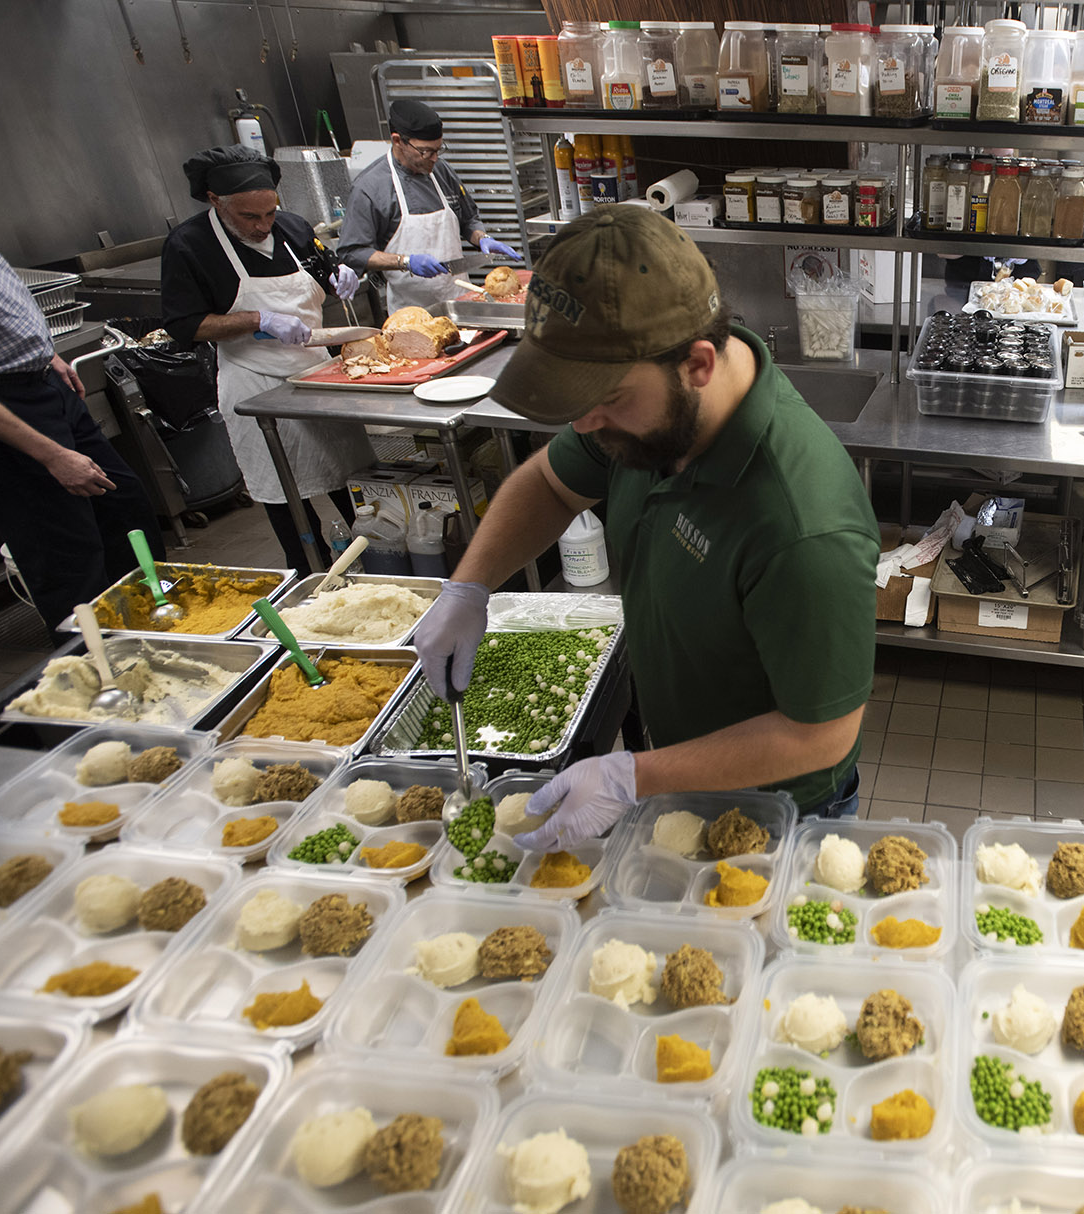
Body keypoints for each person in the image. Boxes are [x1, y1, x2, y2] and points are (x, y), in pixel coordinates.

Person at [412, 208, 879, 849]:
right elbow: (549, 484)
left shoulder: (804, 527)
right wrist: (468, 588)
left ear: (698, 365)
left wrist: (633, 775)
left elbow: (819, 733)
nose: (583, 425)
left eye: (604, 399)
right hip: (677, 773)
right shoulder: (644, 416)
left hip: (777, 816)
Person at [162, 145, 375, 572]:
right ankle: (308, 575)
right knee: (284, 494)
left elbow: (323, 269)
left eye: (269, 213)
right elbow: (185, 325)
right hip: (256, 381)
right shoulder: (189, 245)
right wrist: (258, 318)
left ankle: (377, 560)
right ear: (215, 200)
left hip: (318, 374)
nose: (263, 226)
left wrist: (340, 276)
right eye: (249, 217)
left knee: (352, 481)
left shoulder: (295, 228)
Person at [0, 237, 165, 635]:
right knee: (67, 553)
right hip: (5, 409)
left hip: (42, 379)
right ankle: (96, 669)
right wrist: (51, 456)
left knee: (125, 505)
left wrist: (43, 352)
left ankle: (148, 629)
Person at [338, 99, 521, 313]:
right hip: (413, 314)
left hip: (460, 302)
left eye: (438, 150)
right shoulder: (369, 188)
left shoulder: (440, 171)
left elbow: (468, 219)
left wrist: (482, 238)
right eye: (425, 152)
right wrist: (405, 261)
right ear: (397, 141)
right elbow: (352, 252)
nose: (434, 158)